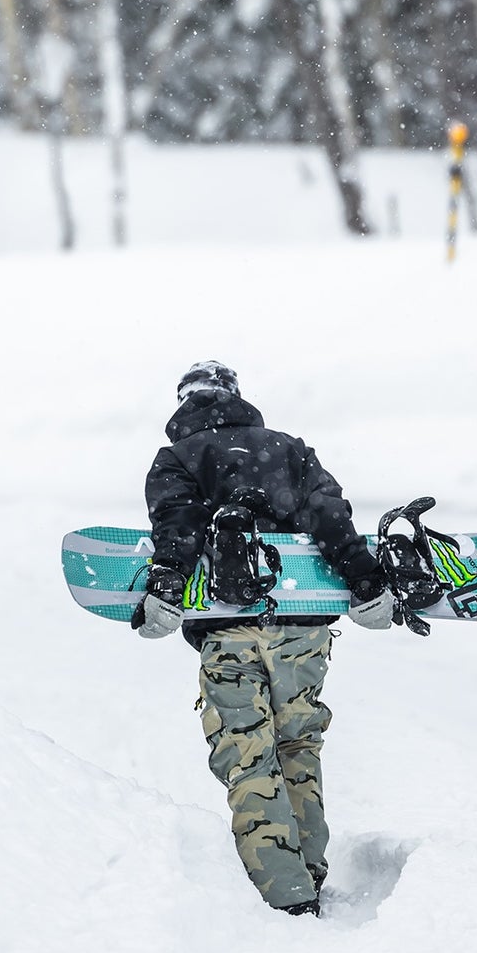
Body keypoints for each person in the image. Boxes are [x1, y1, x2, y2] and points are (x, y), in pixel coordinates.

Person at [132, 360, 394, 916]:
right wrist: (367, 583)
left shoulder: (177, 458)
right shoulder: (289, 449)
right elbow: (331, 520)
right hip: (301, 632)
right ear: (235, 396)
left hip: (226, 632)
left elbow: (176, 527)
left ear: (184, 402)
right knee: (298, 743)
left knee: (247, 755)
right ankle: (311, 874)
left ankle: (286, 896)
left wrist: (166, 586)